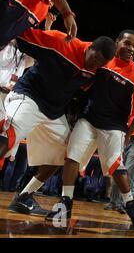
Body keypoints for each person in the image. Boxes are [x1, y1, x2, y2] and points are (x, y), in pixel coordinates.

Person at [45, 30, 134, 229]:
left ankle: (130, 203)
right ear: (117, 42)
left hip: (114, 126)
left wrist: (128, 135)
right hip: (89, 119)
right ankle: (65, 202)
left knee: (115, 164)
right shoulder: (103, 61)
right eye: (127, 43)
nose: (131, 49)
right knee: (71, 156)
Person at [4, 28, 116, 215]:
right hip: (29, 96)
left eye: (100, 64)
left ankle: (23, 197)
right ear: (90, 47)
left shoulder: (97, 70)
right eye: (94, 60)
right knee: (5, 139)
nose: (94, 66)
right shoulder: (62, 42)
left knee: (64, 154)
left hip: (53, 112)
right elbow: (22, 34)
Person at [105, 94, 134, 214]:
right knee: (118, 170)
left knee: (129, 173)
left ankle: (124, 203)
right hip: (124, 137)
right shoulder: (131, 101)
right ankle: (114, 202)